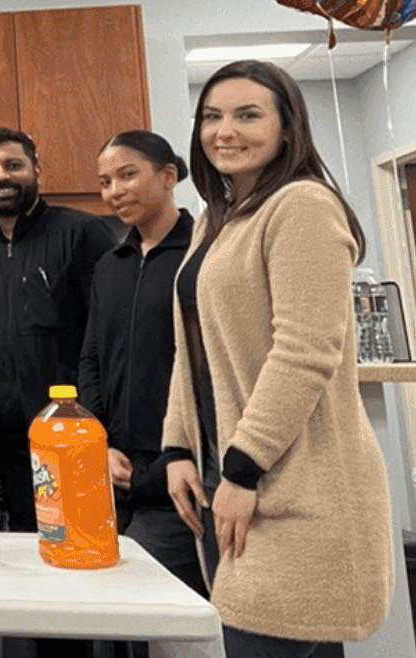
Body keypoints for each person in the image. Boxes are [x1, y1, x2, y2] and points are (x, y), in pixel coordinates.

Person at [164, 59, 393, 656]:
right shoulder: (217, 220)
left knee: (269, 640)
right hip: (225, 475)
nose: (224, 131)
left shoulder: (302, 206)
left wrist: (244, 468)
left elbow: (305, 352)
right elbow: (193, 348)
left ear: (287, 128)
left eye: (247, 114)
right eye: (211, 116)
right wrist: (179, 447)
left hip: (289, 480)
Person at [79, 131, 203, 658]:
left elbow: (206, 372)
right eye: (105, 181)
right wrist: (98, 442)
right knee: (103, 623)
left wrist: (160, 465)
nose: (114, 192)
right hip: (110, 478)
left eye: (128, 175)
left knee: (174, 630)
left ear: (169, 175)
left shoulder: (202, 257)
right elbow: (92, 359)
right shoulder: (111, 265)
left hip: (177, 479)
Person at [0, 127, 116, 533]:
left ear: (36, 170)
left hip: (76, 438)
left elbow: (110, 338)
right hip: (11, 443)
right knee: (31, 545)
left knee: (81, 545)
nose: (1, 176)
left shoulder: (82, 234)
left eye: (14, 165)